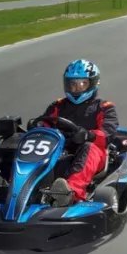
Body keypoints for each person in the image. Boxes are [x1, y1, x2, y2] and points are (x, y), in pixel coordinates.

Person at [37, 59, 118, 206]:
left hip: (91, 151)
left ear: (93, 83)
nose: (76, 88)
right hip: (60, 148)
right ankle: (13, 187)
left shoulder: (104, 107)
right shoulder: (57, 106)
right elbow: (45, 125)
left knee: (89, 147)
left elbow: (108, 133)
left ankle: (70, 193)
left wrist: (89, 135)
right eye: (72, 84)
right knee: (34, 143)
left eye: (82, 84)